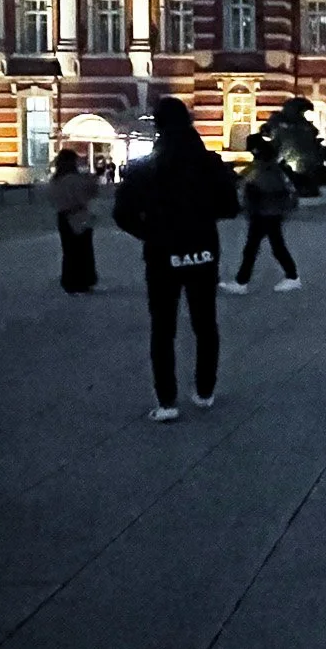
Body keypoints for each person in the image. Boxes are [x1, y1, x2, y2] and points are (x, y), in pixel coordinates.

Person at [114, 97, 242, 421]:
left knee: (162, 328)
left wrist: (150, 232)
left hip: (161, 253)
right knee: (205, 323)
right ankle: (204, 390)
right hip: (202, 250)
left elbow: (122, 214)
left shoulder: (146, 168)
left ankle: (167, 401)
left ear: (158, 125)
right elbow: (230, 207)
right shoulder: (210, 163)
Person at [225, 134, 302, 294]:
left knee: (255, 248)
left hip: (264, 212)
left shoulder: (264, 167)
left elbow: (262, 186)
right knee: (272, 246)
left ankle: (242, 281)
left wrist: (249, 197)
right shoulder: (269, 165)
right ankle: (291, 276)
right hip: (269, 211)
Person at [47, 148, 100, 294]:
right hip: (78, 215)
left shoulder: (55, 181)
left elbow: (52, 199)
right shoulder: (74, 180)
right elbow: (88, 195)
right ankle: (82, 281)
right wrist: (91, 181)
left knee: (69, 250)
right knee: (83, 249)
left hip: (63, 216)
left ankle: (70, 280)